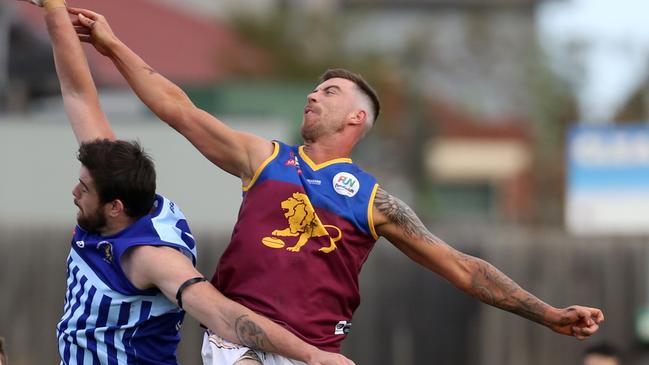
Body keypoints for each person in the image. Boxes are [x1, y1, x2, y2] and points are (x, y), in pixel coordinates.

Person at [66, 5, 605, 364]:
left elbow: (465, 269)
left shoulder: (376, 202)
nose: (313, 95)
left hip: (317, 351)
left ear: (357, 120)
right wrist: (113, 46)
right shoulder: (264, 159)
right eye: (314, 88)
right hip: (239, 338)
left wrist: (549, 312)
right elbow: (178, 109)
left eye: (330, 91)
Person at [18, 1, 354, 364]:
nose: (75, 192)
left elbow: (223, 315)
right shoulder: (118, 185)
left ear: (115, 207)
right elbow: (79, 96)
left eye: (84, 190)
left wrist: (313, 356)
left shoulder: (151, 258)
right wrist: (53, 8)